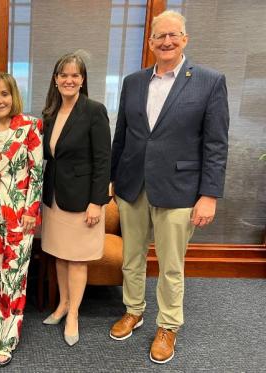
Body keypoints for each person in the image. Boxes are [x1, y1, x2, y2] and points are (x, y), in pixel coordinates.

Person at [109, 10, 229, 364]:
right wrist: (114, 177)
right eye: (159, 36)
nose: (166, 41)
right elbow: (123, 135)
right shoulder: (133, 82)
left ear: (185, 39)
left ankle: (168, 325)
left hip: (180, 189)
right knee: (131, 258)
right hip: (133, 185)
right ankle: (134, 309)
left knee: (171, 264)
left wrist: (209, 194)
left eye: (173, 35)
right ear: (150, 43)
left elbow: (216, 143)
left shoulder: (209, 81)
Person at [40, 52, 111, 346]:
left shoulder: (94, 111)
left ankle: (74, 315)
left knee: (78, 259)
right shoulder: (50, 114)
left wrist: (97, 201)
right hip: (55, 198)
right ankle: (62, 305)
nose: (69, 80)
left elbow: (103, 160)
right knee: (59, 254)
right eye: (63, 75)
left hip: (83, 201)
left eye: (75, 75)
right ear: (56, 80)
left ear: (82, 81)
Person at [0, 72, 43, 367]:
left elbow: (38, 172)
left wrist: (32, 211)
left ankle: (6, 338)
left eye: (4, 94)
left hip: (20, 214)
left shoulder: (30, 126)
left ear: (12, 96)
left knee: (13, 276)